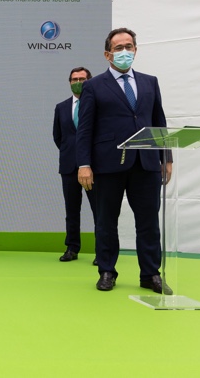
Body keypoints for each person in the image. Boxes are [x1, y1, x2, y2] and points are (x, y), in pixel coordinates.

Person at [76, 27, 173, 294]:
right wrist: (84, 164)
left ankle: (151, 274)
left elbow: (158, 122)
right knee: (106, 221)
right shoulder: (93, 86)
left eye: (129, 46)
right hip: (107, 165)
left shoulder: (149, 82)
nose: (124, 52)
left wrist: (166, 157)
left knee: (149, 223)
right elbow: (84, 129)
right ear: (108, 54)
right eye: (118, 48)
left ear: (136, 50)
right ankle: (107, 271)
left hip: (146, 163)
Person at [53, 67, 98, 264]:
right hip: (69, 166)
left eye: (82, 79)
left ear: (89, 81)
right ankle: (72, 247)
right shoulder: (61, 107)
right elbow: (58, 137)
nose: (77, 82)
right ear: (69, 82)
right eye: (74, 79)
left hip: (95, 167)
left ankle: (102, 251)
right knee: (72, 210)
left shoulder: (99, 105)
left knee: (100, 211)